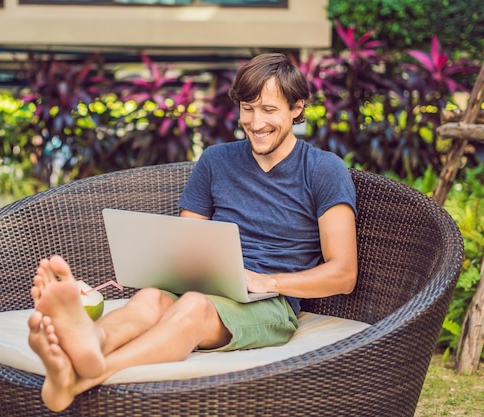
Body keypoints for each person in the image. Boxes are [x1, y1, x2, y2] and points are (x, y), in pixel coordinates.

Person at [28, 52, 358, 412]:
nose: (255, 122)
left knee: (194, 307)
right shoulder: (216, 161)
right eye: (248, 108)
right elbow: (187, 243)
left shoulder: (324, 170)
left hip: (270, 305)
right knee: (149, 298)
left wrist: (269, 282)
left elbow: (343, 274)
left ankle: (84, 375)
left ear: (297, 108)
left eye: (268, 110)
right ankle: (89, 341)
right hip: (207, 284)